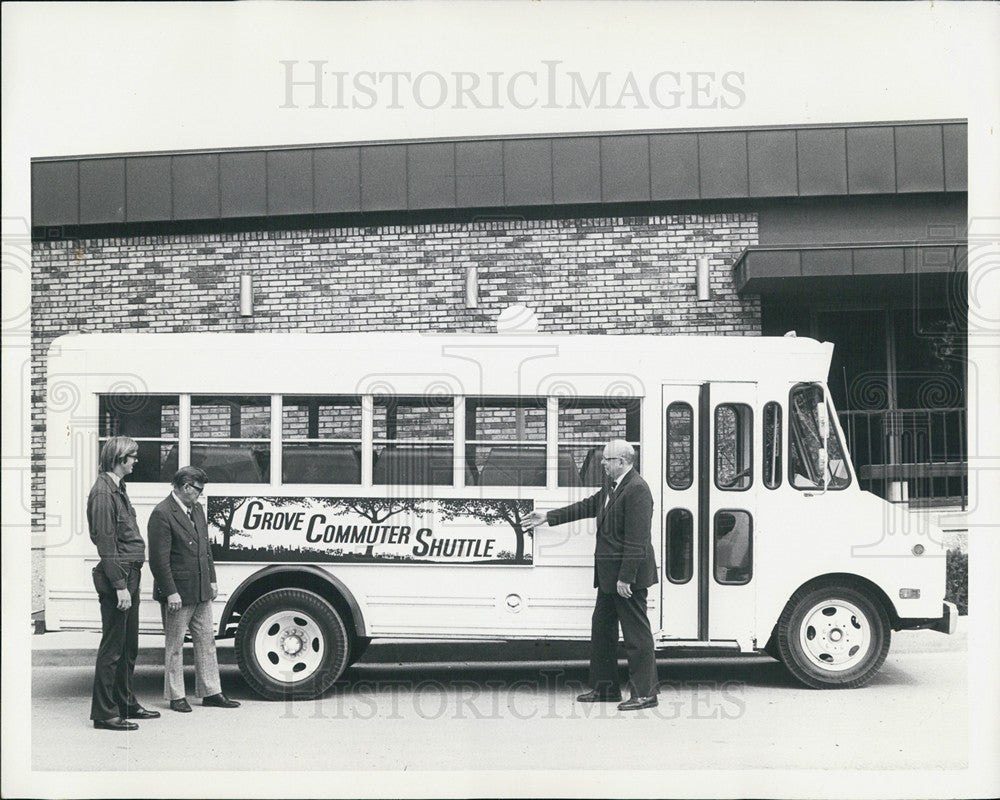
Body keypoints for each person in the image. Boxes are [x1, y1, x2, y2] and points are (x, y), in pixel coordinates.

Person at [524, 439, 659, 711]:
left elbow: (638, 539)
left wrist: (626, 578)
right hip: (610, 577)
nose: (602, 463)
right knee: (602, 631)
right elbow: (587, 506)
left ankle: (646, 693)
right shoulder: (613, 486)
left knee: (636, 636)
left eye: (607, 459)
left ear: (622, 461)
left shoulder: (637, 490)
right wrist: (547, 516)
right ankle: (606, 689)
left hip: (625, 579)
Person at [148, 466, 240, 712]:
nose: (201, 494)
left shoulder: (197, 510)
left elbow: (205, 549)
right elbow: (158, 559)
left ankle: (211, 692)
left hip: (200, 590)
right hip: (178, 593)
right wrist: (170, 592)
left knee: (206, 641)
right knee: (175, 645)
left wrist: (211, 579)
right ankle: (176, 695)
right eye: (198, 489)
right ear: (186, 487)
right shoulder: (162, 513)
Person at [88, 436, 161, 730]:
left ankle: (125, 703)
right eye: (133, 456)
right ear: (119, 458)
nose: (136, 461)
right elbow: (106, 543)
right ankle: (105, 713)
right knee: (113, 648)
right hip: (119, 575)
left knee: (129, 645)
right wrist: (119, 585)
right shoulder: (104, 493)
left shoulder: (118, 488)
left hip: (131, 573)